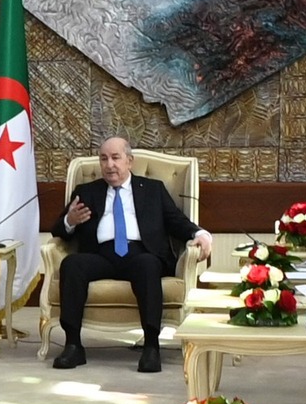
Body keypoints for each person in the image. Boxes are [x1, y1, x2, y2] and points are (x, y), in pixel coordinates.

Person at [50, 135, 212, 372]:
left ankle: (151, 346)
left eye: (116, 158)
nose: (109, 165)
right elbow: (58, 230)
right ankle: (73, 345)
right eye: (104, 159)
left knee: (147, 265)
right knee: (72, 264)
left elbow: (175, 221)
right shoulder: (87, 191)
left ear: (130, 161)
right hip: (101, 254)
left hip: (141, 253)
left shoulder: (153, 190)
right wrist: (69, 221)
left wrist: (199, 234)